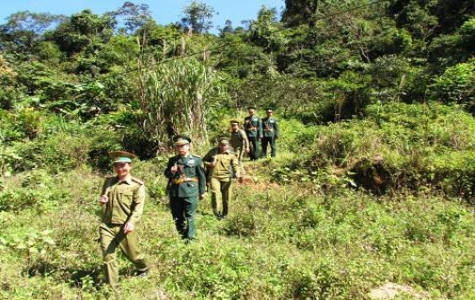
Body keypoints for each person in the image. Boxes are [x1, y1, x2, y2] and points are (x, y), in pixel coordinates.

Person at [98, 151, 149, 292]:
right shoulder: (108, 182)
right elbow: (103, 199)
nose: (120, 169)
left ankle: (143, 267)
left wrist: (131, 222)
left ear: (130, 166)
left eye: (123, 165)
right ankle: (113, 289)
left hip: (125, 226)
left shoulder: (137, 185)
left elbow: (139, 207)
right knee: (108, 256)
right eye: (117, 166)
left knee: (133, 255)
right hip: (107, 225)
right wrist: (102, 201)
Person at [164, 135, 207, 242]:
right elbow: (167, 174)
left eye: (183, 146)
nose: (180, 148)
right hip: (175, 192)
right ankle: (181, 235)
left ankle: (190, 238)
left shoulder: (196, 160)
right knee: (177, 216)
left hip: (190, 191)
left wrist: (202, 191)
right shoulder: (172, 160)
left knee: (190, 215)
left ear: (188, 146)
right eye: (178, 146)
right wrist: (172, 172)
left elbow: (202, 177)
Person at [203, 137, 240, 219]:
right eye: (221, 144)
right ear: (219, 144)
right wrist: (210, 164)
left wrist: (237, 172)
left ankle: (225, 214)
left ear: (228, 145)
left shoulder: (231, 154)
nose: (223, 146)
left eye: (225, 145)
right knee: (215, 194)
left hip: (226, 177)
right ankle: (217, 213)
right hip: (214, 176)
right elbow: (204, 160)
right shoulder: (213, 152)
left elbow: (235, 165)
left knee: (226, 196)